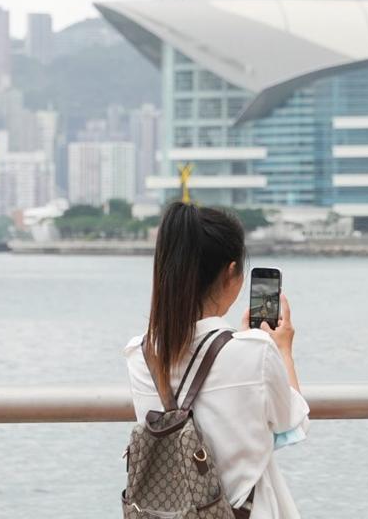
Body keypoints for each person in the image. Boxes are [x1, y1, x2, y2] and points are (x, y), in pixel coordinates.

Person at [125, 202, 309, 518]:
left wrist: (241, 343)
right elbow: (290, 422)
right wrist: (283, 351)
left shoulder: (140, 355)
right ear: (231, 273)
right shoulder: (257, 352)